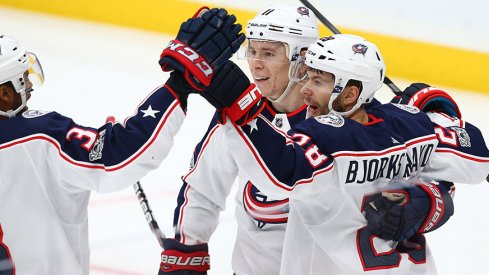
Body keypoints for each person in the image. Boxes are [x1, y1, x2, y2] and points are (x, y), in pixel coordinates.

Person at [198, 34, 489, 274]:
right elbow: (477, 157)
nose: (305, 90)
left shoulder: (326, 140)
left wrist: (241, 106)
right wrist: (436, 107)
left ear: (350, 94)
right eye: (306, 77)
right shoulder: (411, 128)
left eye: (318, 81)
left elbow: (280, 172)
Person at [0, 7, 245, 275]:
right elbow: (119, 156)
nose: (30, 87)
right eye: (23, 80)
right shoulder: (38, 136)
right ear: (4, 94)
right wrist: (179, 84)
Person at [158, 4, 319, 275]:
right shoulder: (237, 111)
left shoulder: (333, 119)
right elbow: (203, 189)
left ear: (302, 61)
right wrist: (186, 250)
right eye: (253, 51)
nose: (256, 63)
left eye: (269, 53)